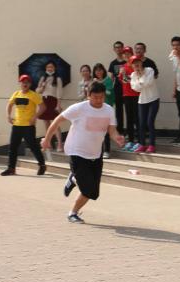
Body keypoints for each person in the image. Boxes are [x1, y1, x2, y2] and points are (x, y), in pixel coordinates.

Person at [43, 81, 124, 224]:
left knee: (94, 193)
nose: (98, 100)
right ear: (88, 95)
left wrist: (117, 137)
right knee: (87, 189)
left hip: (95, 153)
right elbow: (57, 121)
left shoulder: (108, 110)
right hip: (77, 152)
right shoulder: (79, 108)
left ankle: (73, 179)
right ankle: (72, 213)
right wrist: (47, 139)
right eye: (95, 97)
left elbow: (111, 130)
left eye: (101, 97)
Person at [2, 74, 46, 176]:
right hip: (17, 125)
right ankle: (11, 168)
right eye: (23, 82)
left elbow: (43, 107)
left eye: (27, 82)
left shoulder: (34, 95)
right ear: (20, 83)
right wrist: (8, 116)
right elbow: (9, 105)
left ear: (30, 84)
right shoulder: (16, 94)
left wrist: (35, 117)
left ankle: (42, 165)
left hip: (28, 126)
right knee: (13, 147)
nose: (25, 84)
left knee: (33, 146)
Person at [130, 55, 160, 153]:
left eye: (137, 62)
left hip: (153, 99)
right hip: (142, 101)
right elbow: (136, 88)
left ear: (141, 62)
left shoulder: (149, 70)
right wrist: (141, 80)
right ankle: (142, 144)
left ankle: (152, 145)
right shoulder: (133, 75)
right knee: (141, 124)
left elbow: (149, 83)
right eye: (134, 63)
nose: (136, 65)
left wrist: (140, 77)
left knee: (150, 122)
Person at [36, 61, 64, 152]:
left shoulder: (58, 79)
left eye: (51, 67)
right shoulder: (43, 78)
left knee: (56, 123)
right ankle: (48, 143)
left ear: (54, 68)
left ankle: (59, 144)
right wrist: (42, 87)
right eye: (48, 67)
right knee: (46, 122)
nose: (50, 68)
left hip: (53, 101)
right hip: (44, 100)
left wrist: (58, 105)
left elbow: (59, 93)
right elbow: (37, 91)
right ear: (46, 68)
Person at [119, 46, 141, 151]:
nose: (126, 55)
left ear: (131, 54)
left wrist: (126, 76)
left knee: (137, 118)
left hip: (136, 95)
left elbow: (136, 79)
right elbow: (123, 81)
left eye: (128, 53)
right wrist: (122, 74)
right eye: (124, 54)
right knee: (129, 119)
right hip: (126, 95)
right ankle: (131, 141)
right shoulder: (123, 67)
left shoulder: (135, 65)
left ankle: (140, 141)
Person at [93, 63, 115, 154]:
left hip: (106, 108)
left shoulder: (108, 80)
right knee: (96, 130)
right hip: (95, 109)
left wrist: (100, 85)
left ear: (103, 70)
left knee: (105, 130)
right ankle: (97, 150)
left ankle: (106, 150)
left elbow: (109, 93)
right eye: (96, 70)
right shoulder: (94, 81)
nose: (98, 72)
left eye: (100, 70)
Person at [109, 41, 128, 135]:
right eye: (116, 47)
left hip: (128, 89)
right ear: (114, 49)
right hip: (117, 89)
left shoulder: (127, 61)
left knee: (129, 110)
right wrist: (110, 89)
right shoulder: (113, 63)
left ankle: (130, 131)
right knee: (118, 111)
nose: (118, 49)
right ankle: (120, 130)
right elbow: (112, 78)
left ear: (123, 48)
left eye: (120, 47)